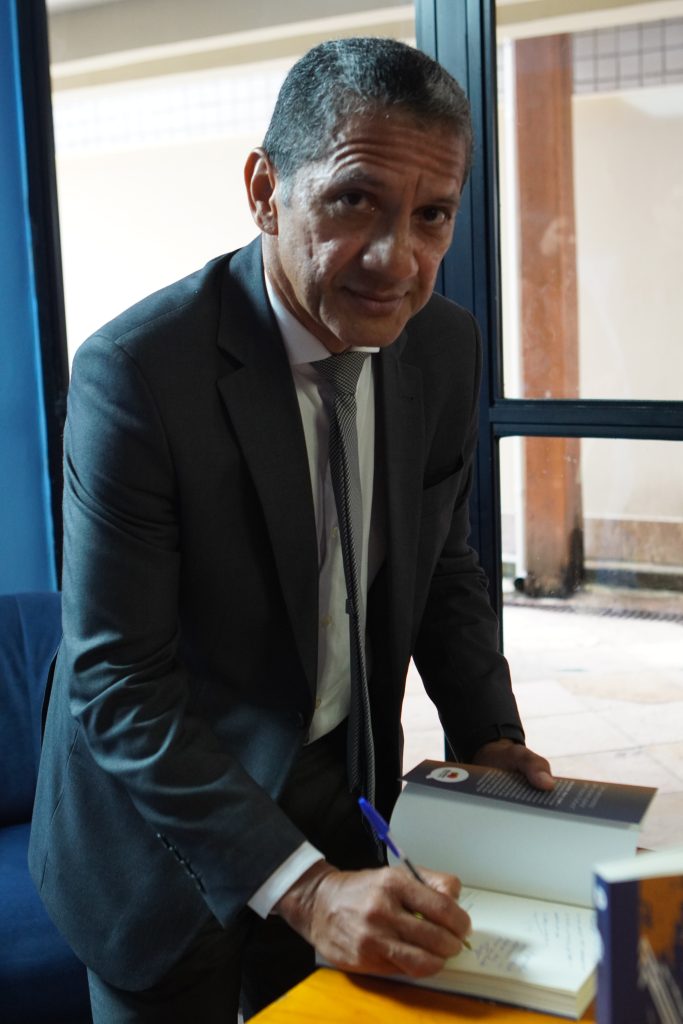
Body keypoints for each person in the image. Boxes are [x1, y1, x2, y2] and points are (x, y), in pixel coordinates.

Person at [29, 36, 553, 1023]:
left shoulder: (442, 347)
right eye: (353, 200)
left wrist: (487, 735)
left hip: (338, 784)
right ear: (265, 191)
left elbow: (442, 566)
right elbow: (119, 684)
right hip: (159, 824)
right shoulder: (138, 374)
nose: (397, 259)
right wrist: (304, 891)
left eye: (431, 215)